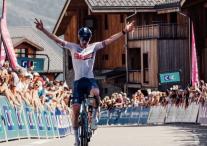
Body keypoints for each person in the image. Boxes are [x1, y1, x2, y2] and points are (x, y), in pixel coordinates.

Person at [34, 18, 135, 146]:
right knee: (75, 110)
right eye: (82, 40)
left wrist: (124, 31)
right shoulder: (72, 47)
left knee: (96, 92)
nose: (84, 43)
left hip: (89, 79)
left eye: (86, 40)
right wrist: (43, 30)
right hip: (77, 82)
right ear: (79, 38)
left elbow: (110, 40)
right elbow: (56, 40)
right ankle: (76, 139)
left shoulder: (94, 47)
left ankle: (94, 116)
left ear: (89, 39)